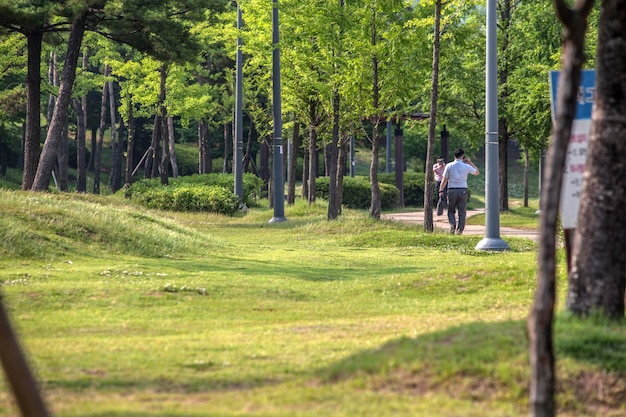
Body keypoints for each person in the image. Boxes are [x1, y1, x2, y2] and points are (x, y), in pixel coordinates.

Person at [438, 148, 479, 235]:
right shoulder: (466, 166)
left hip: (452, 189)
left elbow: (444, 179)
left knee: (451, 210)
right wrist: (470, 162)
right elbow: (476, 172)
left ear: (454, 156)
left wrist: (441, 190)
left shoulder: (449, 166)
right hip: (463, 190)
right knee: (462, 211)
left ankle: (452, 224)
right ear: (463, 156)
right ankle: (460, 230)